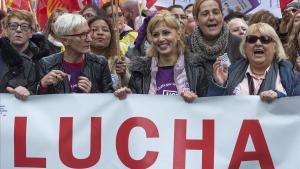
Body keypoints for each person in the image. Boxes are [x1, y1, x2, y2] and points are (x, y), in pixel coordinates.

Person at [115, 11, 208, 103]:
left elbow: (207, 106)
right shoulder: (140, 72)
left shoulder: (196, 68)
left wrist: (195, 100)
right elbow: (135, 110)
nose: (161, 39)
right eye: (155, 35)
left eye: (166, 33)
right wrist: (128, 98)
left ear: (178, 34)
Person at [208, 23, 300, 102]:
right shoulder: (229, 73)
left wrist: (279, 97)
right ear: (245, 47)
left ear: (275, 47)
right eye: (252, 39)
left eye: (265, 39)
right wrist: (220, 85)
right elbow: (214, 111)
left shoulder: (292, 77)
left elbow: (295, 109)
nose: (258, 43)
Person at [37, 13, 113, 94]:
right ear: (65, 41)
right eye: (82, 35)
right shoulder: (46, 64)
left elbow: (109, 99)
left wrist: (92, 92)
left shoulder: (100, 63)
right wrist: (43, 86)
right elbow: (36, 103)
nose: (89, 39)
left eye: (88, 32)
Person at [189, 0, 242, 78]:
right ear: (196, 20)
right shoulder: (186, 46)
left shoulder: (238, 44)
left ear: (222, 15)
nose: (211, 17)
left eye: (216, 12)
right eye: (205, 14)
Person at [88, 16, 130, 89]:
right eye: (94, 29)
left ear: (112, 36)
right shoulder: (79, 60)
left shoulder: (121, 61)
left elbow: (133, 90)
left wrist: (124, 75)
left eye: (105, 30)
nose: (100, 33)